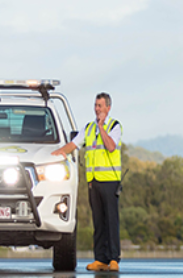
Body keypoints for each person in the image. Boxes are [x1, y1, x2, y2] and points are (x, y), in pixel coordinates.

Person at [53, 92, 123, 272]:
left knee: (111, 221)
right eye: (95, 105)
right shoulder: (89, 128)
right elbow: (74, 144)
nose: (97, 109)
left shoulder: (114, 126)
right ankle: (100, 258)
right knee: (98, 221)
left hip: (109, 181)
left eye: (100, 106)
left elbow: (110, 146)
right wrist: (58, 152)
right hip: (93, 182)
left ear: (108, 108)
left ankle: (114, 258)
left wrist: (102, 127)